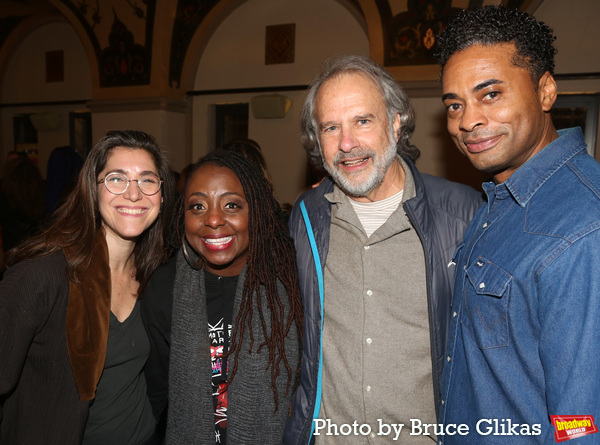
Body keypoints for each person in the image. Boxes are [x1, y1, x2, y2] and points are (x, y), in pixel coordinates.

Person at [283, 55, 482, 444]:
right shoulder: (306, 218)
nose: (346, 143)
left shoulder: (463, 215)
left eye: (362, 120)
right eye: (330, 127)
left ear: (395, 122)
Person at [435, 6, 600, 443]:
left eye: (490, 94)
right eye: (455, 104)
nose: (468, 121)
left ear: (545, 91)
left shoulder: (585, 227)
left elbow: (581, 427)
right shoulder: (500, 199)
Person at [0, 130, 175, 444]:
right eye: (116, 179)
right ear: (92, 190)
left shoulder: (156, 275)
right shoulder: (42, 276)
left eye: (147, 180)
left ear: (161, 196)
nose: (134, 194)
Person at [142, 150, 302, 444]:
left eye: (231, 205)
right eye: (198, 206)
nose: (213, 220)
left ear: (257, 211)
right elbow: (153, 395)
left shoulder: (292, 285)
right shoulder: (164, 288)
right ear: (183, 216)